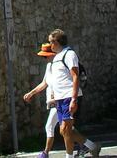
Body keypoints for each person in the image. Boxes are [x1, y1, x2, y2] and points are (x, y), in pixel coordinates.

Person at [42, 30, 100, 158]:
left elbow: (75, 76)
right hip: (60, 99)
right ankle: (92, 146)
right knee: (64, 131)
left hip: (69, 96)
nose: (50, 44)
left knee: (66, 130)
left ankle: (70, 156)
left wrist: (74, 99)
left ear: (57, 42)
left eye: (51, 41)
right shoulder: (57, 57)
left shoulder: (69, 54)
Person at [22, 41, 61, 158]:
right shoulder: (49, 66)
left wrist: (56, 95)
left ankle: (45, 153)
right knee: (67, 129)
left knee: (50, 126)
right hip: (53, 102)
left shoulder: (59, 65)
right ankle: (89, 145)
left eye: (46, 56)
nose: (45, 58)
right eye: (43, 56)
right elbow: (44, 83)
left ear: (53, 53)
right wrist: (31, 93)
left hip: (59, 101)